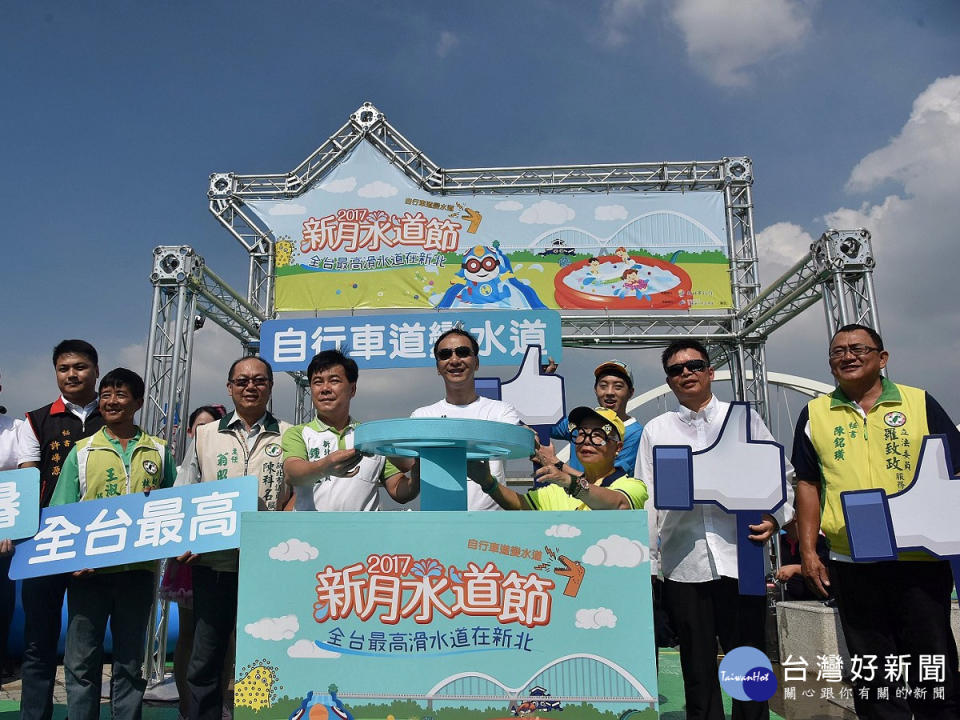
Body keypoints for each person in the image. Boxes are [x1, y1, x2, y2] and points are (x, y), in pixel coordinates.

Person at [792, 323, 960, 719]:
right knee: (874, 669)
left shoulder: (920, 403)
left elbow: (953, 471)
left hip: (919, 558)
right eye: (837, 352)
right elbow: (808, 483)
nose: (847, 357)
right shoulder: (815, 412)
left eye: (858, 349)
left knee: (933, 664)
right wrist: (810, 552)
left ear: (882, 359)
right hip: (852, 561)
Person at [635, 339, 794, 720]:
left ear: (710, 371)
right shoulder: (657, 429)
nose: (686, 373)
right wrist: (649, 564)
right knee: (697, 665)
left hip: (741, 557)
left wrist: (775, 519)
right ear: (669, 380)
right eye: (676, 369)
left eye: (694, 365)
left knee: (748, 660)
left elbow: (782, 476)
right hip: (683, 562)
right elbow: (647, 499)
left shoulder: (743, 419)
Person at [50, 368, 176, 720]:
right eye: (105, 394)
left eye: (120, 394)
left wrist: (159, 500)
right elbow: (61, 511)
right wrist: (71, 562)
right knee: (81, 663)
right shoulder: (82, 451)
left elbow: (176, 504)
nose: (110, 401)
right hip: (88, 574)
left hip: (137, 572)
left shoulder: (161, 452)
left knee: (130, 663)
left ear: (138, 402)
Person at [175, 356, 291, 720]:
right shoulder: (206, 436)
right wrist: (187, 539)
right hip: (214, 563)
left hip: (269, 565)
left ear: (271, 386)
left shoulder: (290, 434)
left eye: (259, 380)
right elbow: (185, 491)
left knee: (266, 655)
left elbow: (298, 494)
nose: (250, 386)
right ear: (229, 387)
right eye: (241, 381)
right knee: (206, 657)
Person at [17, 339, 105, 720]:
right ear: (56, 373)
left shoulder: (116, 416)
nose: (72, 374)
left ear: (96, 371)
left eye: (80, 367)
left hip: (101, 542)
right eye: (64, 368)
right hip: (44, 543)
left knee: (86, 647)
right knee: (38, 643)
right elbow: (25, 483)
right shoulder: (35, 420)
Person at [282, 349, 418, 510]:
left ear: (352, 389)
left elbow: (398, 489)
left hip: (361, 533)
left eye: (334, 381)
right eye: (317, 382)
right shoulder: (298, 433)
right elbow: (292, 473)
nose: (325, 388)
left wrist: (417, 476)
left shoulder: (371, 436)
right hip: (310, 533)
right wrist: (324, 467)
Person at [160, 405, 226, 720]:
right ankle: (187, 704)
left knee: (223, 633)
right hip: (189, 554)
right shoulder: (186, 461)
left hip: (224, 553)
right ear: (190, 431)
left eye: (211, 425)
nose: (205, 430)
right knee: (189, 631)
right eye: (199, 426)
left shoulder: (225, 453)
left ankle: (220, 702)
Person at [410, 328, 520, 510]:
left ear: (476, 362)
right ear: (438, 367)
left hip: (491, 526)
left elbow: (515, 444)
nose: (454, 360)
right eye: (445, 355)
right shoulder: (422, 416)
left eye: (462, 352)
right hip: (440, 524)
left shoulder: (501, 412)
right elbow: (406, 462)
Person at [484, 406, 647, 511]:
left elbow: (619, 504)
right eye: (581, 433)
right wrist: (487, 482)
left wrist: (571, 482)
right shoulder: (559, 489)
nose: (587, 440)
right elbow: (520, 505)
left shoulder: (633, 486)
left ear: (618, 448)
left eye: (598, 435)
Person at [547, 359, 643, 477]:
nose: (609, 392)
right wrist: (545, 380)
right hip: (569, 496)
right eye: (603, 386)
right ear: (595, 390)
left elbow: (607, 481)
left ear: (631, 392)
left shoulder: (635, 434)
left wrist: (557, 464)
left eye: (618, 387)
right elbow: (545, 424)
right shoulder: (580, 421)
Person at [0, 371, 23, 680]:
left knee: (2, 600)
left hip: (2, 534)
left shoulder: (16, 430)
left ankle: (2, 655)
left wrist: (8, 529)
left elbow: (25, 481)